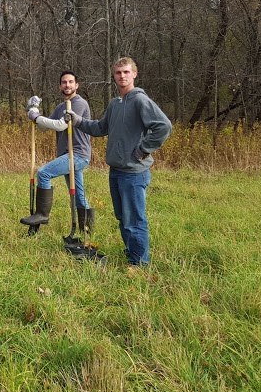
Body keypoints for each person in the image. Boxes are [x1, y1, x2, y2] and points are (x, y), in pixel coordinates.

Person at [66, 57, 171, 268]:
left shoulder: (140, 101)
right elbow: (99, 128)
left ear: (134, 74)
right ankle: (131, 253)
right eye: (118, 73)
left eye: (126, 72)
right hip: (116, 170)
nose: (122, 76)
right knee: (123, 217)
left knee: (134, 219)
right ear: (114, 76)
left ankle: (139, 264)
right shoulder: (115, 104)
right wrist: (77, 120)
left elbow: (164, 126)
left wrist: (142, 150)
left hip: (134, 172)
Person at [20, 71, 93, 235]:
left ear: (76, 85)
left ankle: (42, 214)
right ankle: (86, 231)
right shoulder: (60, 107)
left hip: (78, 154)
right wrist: (34, 111)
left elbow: (61, 125)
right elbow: (44, 127)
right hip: (67, 155)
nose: (67, 85)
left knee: (43, 173)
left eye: (71, 82)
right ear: (60, 85)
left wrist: (36, 117)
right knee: (79, 195)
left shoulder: (79, 103)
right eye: (64, 82)